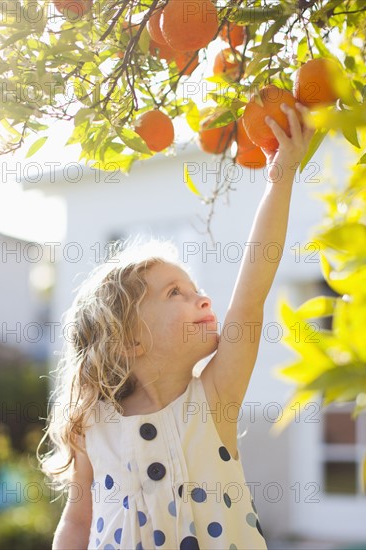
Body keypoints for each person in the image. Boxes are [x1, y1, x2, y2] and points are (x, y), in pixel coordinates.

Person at [38, 101, 314, 550]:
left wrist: (280, 178)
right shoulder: (94, 425)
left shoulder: (214, 398)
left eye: (193, 289)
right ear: (129, 338)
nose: (202, 298)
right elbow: (77, 520)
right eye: (175, 294)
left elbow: (249, 299)